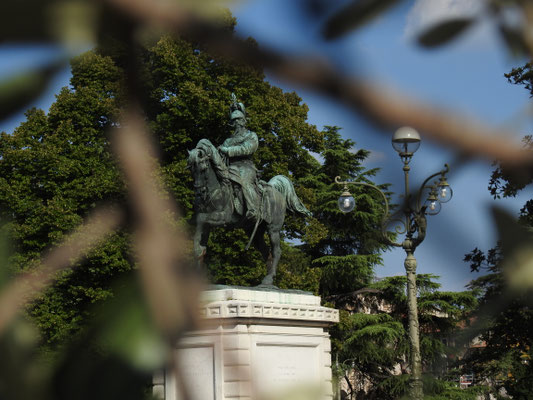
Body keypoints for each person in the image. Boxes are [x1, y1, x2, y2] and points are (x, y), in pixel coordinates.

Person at [218, 94, 260, 220]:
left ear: (243, 121)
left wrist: (227, 150)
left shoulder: (251, 136)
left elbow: (247, 149)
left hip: (246, 167)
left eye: (238, 120)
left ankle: (253, 209)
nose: (236, 123)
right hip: (230, 167)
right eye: (233, 121)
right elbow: (220, 155)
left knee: (245, 182)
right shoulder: (228, 140)